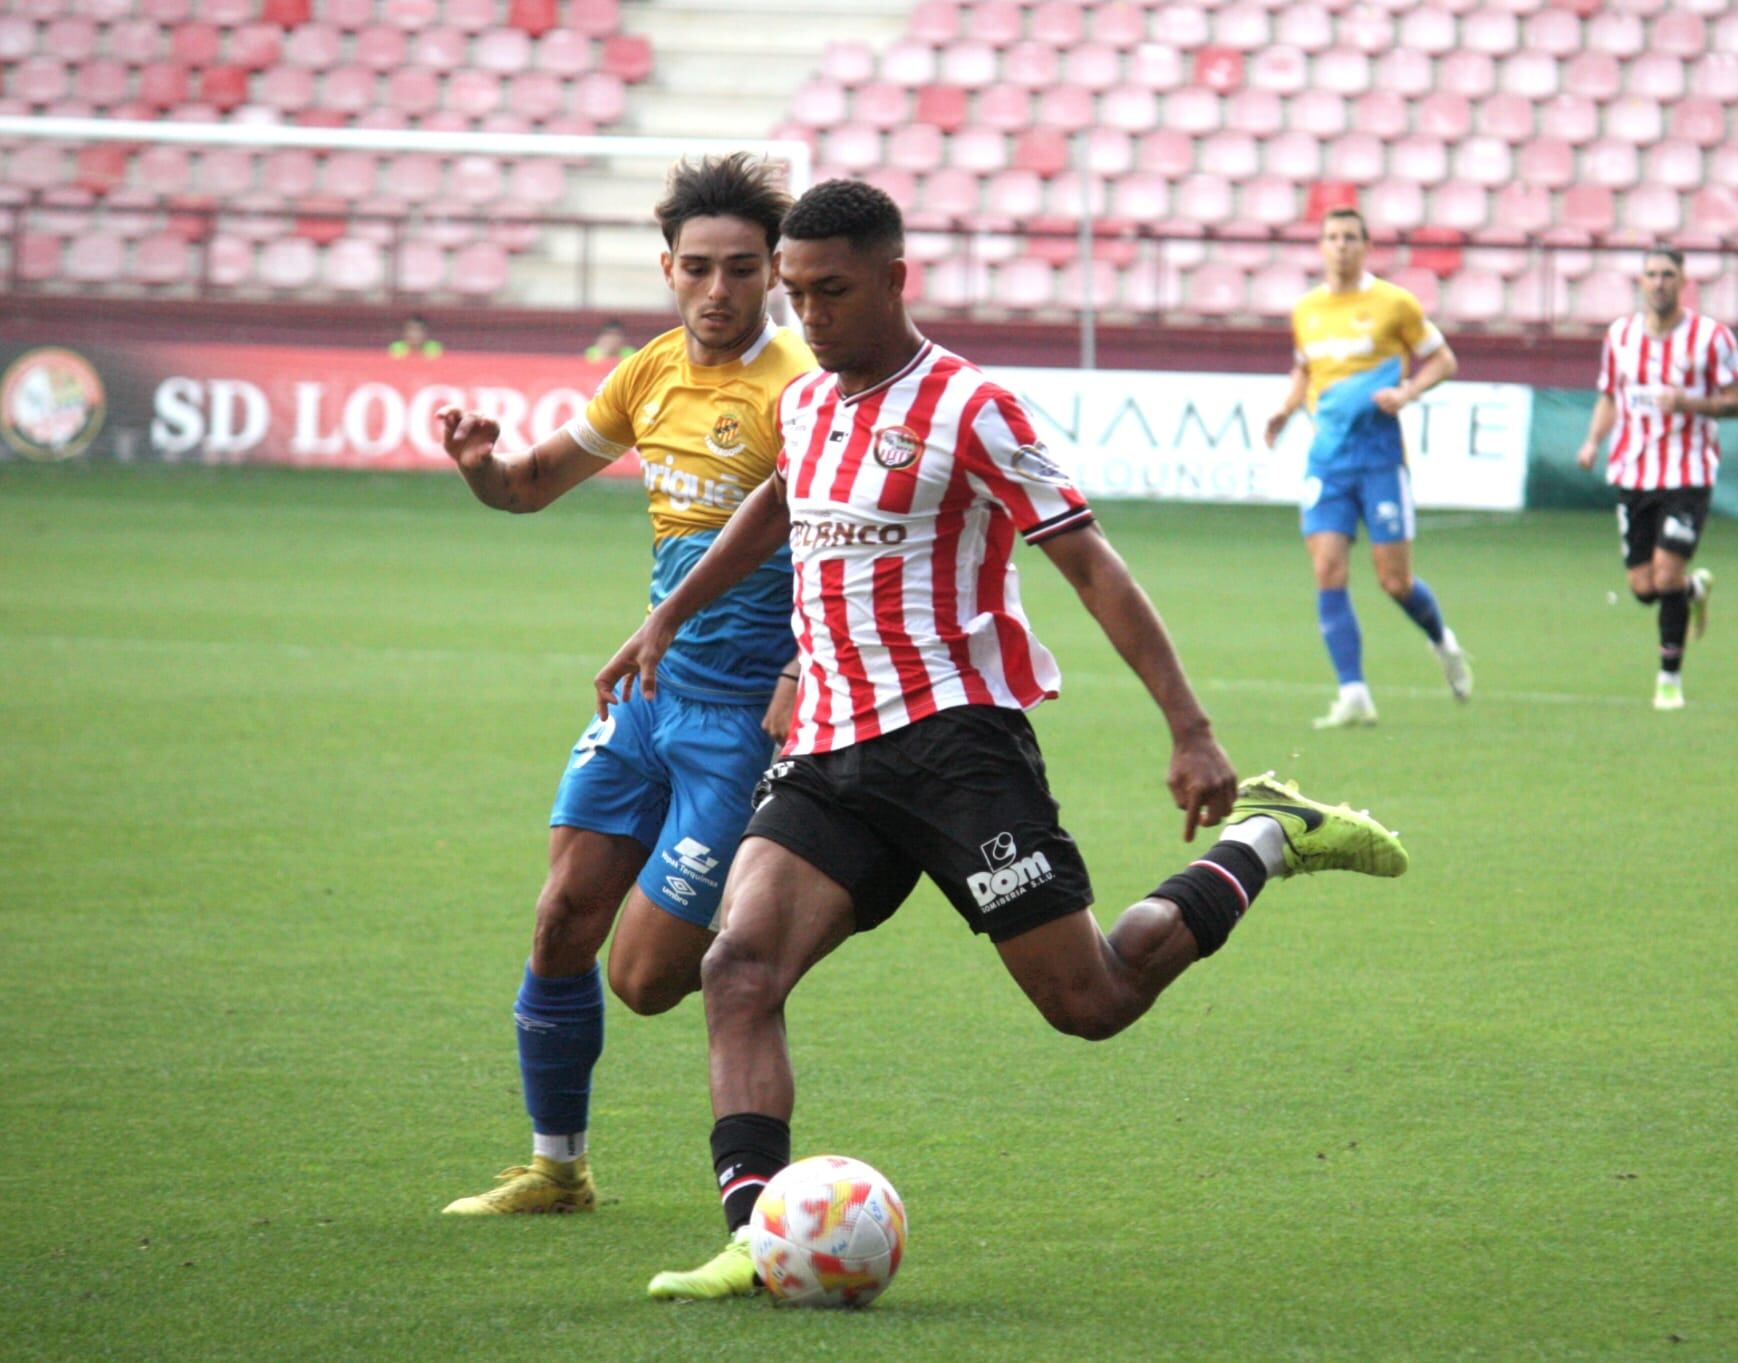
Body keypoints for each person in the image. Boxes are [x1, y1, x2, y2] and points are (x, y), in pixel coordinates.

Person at [589, 180, 1413, 1301]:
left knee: (1093, 1001)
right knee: (737, 967)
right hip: (830, 750)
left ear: (895, 278)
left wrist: (1190, 726)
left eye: (830, 291)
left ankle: (1269, 836)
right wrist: (666, 615)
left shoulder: (971, 406)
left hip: (956, 749)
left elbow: (1088, 563)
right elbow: (781, 502)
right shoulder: (810, 404)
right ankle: (760, 1232)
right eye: (796, 294)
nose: (809, 316)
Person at [434, 153, 813, 1215]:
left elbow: (842, 549)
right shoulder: (648, 372)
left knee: (644, 979)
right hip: (645, 696)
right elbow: (529, 485)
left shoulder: (801, 392)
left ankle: (785, 924)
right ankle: (559, 1167)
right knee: (561, 918)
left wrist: (796, 666)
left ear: (773, 274)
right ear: (666, 268)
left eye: (741, 269)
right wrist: (478, 464)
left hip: (741, 723)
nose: (718, 290)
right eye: (697, 267)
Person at [1263, 204, 1473, 729]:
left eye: (1350, 237)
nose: (1340, 245)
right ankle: (1353, 693)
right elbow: (1305, 369)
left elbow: (1443, 360)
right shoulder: (1306, 310)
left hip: (1379, 459)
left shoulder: (1393, 304)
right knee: (1327, 568)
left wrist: (1408, 391)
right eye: (1332, 236)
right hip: (1328, 459)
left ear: (1366, 245)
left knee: (1394, 581)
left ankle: (1442, 641)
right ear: (1321, 246)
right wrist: (1286, 411)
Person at [1575, 245, 1738, 711]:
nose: (1659, 282)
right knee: (1645, 588)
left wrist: (1690, 403)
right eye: (1651, 274)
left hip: (1687, 472)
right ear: (1640, 281)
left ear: (1683, 280)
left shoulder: (1711, 338)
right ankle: (1695, 591)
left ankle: (1668, 680)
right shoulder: (1620, 336)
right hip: (1633, 472)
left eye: (1668, 274)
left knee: (1667, 570)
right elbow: (1610, 395)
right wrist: (1593, 440)